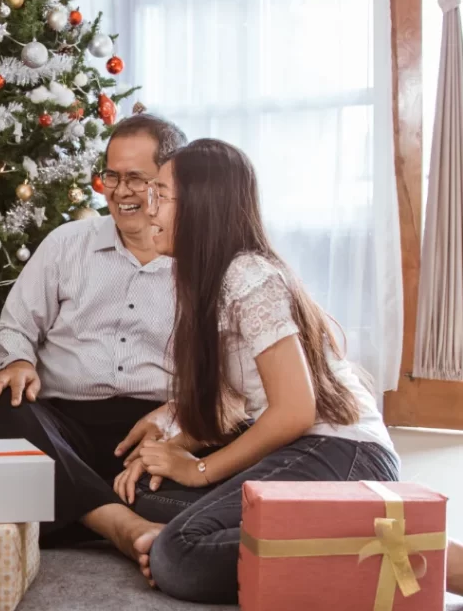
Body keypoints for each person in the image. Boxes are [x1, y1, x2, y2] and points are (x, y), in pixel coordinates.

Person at [111, 137, 430, 603]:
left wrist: (199, 469)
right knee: (141, 495)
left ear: (202, 205)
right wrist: (173, 450)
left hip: (342, 453)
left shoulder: (249, 275)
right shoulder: (211, 282)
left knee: (179, 556)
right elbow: (236, 400)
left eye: (160, 193)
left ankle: (383, 544)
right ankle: (346, 534)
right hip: (305, 450)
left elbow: (296, 411)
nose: (147, 206)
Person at [0, 113, 188, 553]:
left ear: (170, 180)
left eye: (136, 177)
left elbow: (228, 380)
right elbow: (13, 327)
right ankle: (122, 526)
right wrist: (16, 363)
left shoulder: (201, 261)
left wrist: (175, 419)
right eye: (111, 175)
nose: (120, 190)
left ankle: (71, 512)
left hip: (153, 428)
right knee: (1, 404)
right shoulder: (66, 243)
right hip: (62, 424)